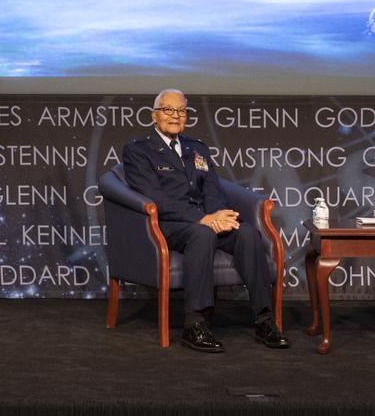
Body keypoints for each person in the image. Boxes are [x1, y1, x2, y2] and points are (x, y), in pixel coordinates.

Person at [121, 89, 288, 352]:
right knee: (203, 233)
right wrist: (204, 219)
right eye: (168, 110)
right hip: (168, 225)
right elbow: (155, 198)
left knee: (246, 233)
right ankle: (195, 323)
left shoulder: (197, 149)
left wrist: (221, 215)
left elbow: (213, 190)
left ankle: (265, 319)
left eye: (181, 111)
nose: (175, 116)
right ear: (155, 116)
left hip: (205, 219)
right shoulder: (138, 151)